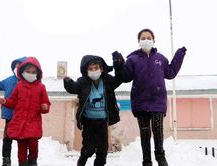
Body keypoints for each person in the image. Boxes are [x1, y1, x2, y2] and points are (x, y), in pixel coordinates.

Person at [112, 28, 186, 166]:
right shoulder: (132, 59)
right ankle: (146, 161)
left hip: (158, 101)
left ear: (153, 40)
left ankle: (160, 157)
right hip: (140, 102)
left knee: (157, 129)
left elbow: (170, 73)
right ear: (139, 41)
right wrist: (119, 65)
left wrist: (179, 55)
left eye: (148, 37)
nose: (146, 40)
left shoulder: (161, 59)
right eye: (143, 38)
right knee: (145, 133)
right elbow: (125, 77)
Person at [63, 55, 122, 166]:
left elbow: (119, 79)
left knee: (102, 150)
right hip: (88, 122)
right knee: (88, 149)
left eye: (96, 68)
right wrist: (68, 82)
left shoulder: (107, 81)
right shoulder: (83, 82)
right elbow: (73, 88)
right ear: (86, 71)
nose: (94, 71)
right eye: (91, 68)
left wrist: (118, 65)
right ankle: (82, 161)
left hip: (102, 122)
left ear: (102, 69)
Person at [0, 57, 50, 166]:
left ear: (38, 73)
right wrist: (5, 101)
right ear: (22, 72)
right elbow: (12, 101)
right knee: (21, 147)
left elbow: (45, 103)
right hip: (20, 122)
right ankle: (22, 163)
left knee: (33, 144)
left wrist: (44, 107)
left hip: (33, 122)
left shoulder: (41, 87)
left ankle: (32, 162)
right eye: (28, 72)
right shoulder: (19, 86)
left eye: (33, 72)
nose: (30, 74)